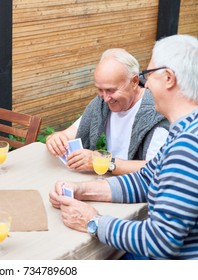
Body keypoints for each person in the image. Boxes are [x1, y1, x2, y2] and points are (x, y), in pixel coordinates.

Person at [49, 34, 198, 259]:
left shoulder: (187, 146)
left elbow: (160, 242)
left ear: (168, 78)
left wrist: (93, 222)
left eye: (148, 75)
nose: (146, 84)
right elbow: (145, 179)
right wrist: (82, 189)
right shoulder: (186, 131)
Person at [46, 48, 169, 175]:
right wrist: (57, 138)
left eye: (111, 90)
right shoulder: (101, 103)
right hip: (110, 179)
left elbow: (155, 168)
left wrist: (104, 162)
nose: (105, 98)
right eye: (100, 89)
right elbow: (69, 134)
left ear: (134, 82)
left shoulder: (156, 111)